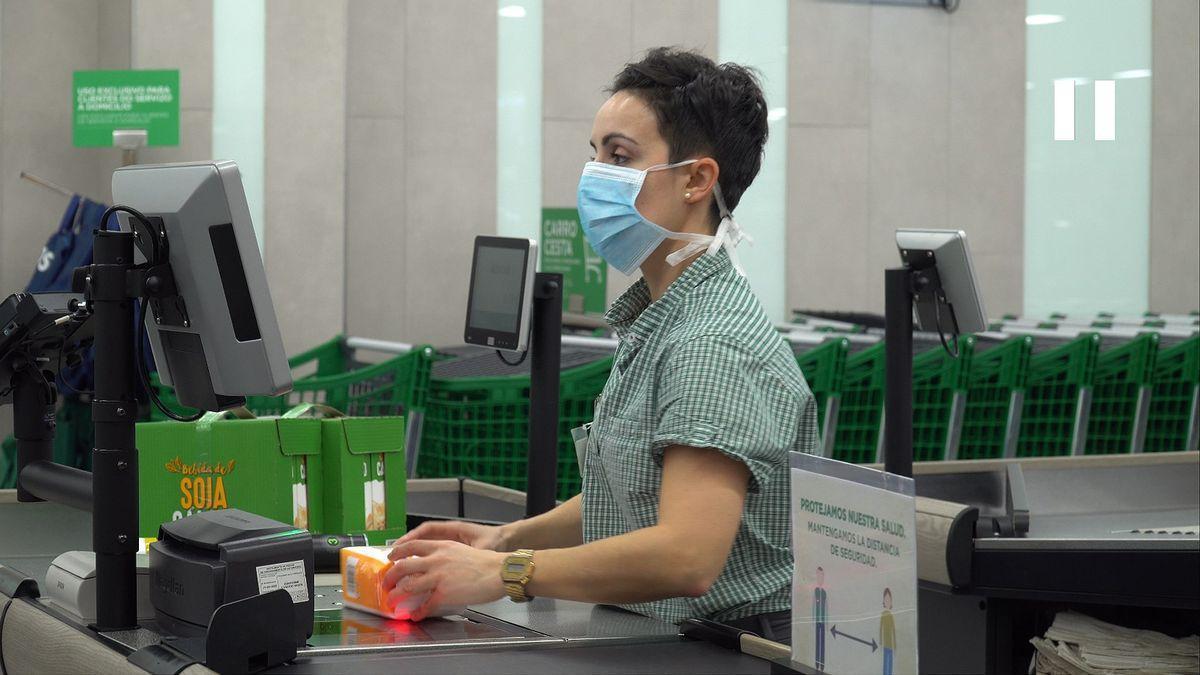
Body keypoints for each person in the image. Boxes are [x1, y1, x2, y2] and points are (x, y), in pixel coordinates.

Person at [384, 47, 818, 643]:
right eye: (594, 156)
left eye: (620, 157)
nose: (595, 178)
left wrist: (504, 572)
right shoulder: (663, 318)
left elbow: (687, 555)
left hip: (720, 648)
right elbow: (633, 496)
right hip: (656, 639)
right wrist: (505, 538)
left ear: (696, 179)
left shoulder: (711, 343)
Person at [814, 567, 828, 669]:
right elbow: (813, 605)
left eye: (821, 575)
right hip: (816, 620)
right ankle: (816, 662)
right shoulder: (815, 591)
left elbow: (826, 607)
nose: (820, 577)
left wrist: (827, 621)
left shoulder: (824, 592)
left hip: (822, 620)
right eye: (818, 575)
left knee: (822, 642)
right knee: (817, 641)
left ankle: (822, 664)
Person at [880, 588, 896, 675]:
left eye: (889, 600)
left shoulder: (891, 615)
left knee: (890, 660)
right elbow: (881, 628)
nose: (887, 601)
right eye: (886, 600)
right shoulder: (883, 614)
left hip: (891, 644)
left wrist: (895, 644)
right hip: (886, 644)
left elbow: (893, 630)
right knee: (886, 659)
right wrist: (880, 641)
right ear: (884, 602)